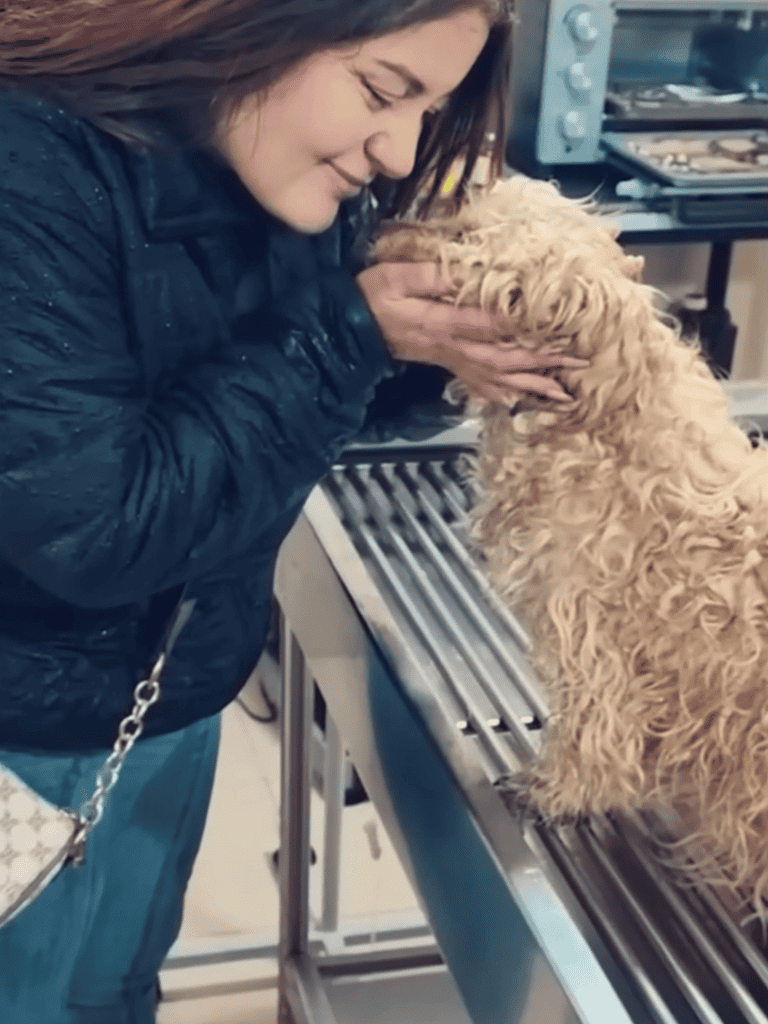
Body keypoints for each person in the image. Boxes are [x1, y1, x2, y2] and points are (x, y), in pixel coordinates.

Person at [0, 1, 585, 1020]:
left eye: (430, 108)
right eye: (380, 91)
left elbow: (251, 366)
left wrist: (430, 351)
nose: (398, 149)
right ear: (255, 25)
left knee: (115, 987)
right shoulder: (32, 165)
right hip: (28, 733)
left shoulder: (263, 157)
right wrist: (351, 334)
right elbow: (95, 524)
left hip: (168, 694)